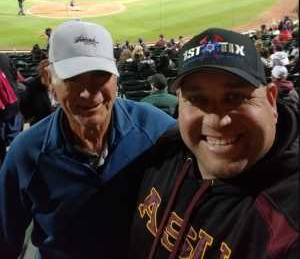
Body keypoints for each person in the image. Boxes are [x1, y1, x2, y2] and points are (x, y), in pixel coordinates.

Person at [0, 20, 176, 259]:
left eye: (100, 76)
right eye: (73, 79)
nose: (88, 93)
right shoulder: (25, 153)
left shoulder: (159, 131)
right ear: (49, 80)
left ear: (116, 77)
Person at [129, 28, 299, 258]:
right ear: (179, 103)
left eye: (235, 97)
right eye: (197, 100)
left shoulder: (288, 222)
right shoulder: (165, 149)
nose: (217, 120)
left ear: (271, 101)